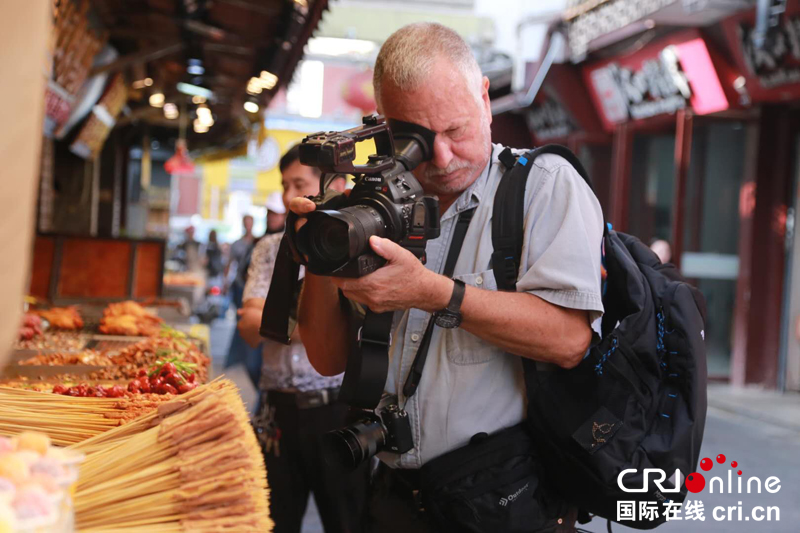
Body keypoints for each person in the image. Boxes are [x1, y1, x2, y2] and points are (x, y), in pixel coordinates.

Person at [290, 23, 604, 532]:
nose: (442, 157)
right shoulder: (373, 204)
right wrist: (322, 248)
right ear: (383, 123)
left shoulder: (543, 187)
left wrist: (434, 293)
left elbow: (569, 339)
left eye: (456, 130)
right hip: (394, 496)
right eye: (415, 136)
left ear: (484, 96)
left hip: (507, 501)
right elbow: (327, 360)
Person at [238, 145, 366, 533]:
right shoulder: (269, 248)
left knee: (347, 521)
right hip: (276, 409)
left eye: (300, 184)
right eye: (285, 185)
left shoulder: (358, 246)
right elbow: (248, 328)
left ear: (336, 186)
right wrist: (317, 325)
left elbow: (353, 333)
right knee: (274, 522)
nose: (290, 195)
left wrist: (278, 318)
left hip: (337, 411)